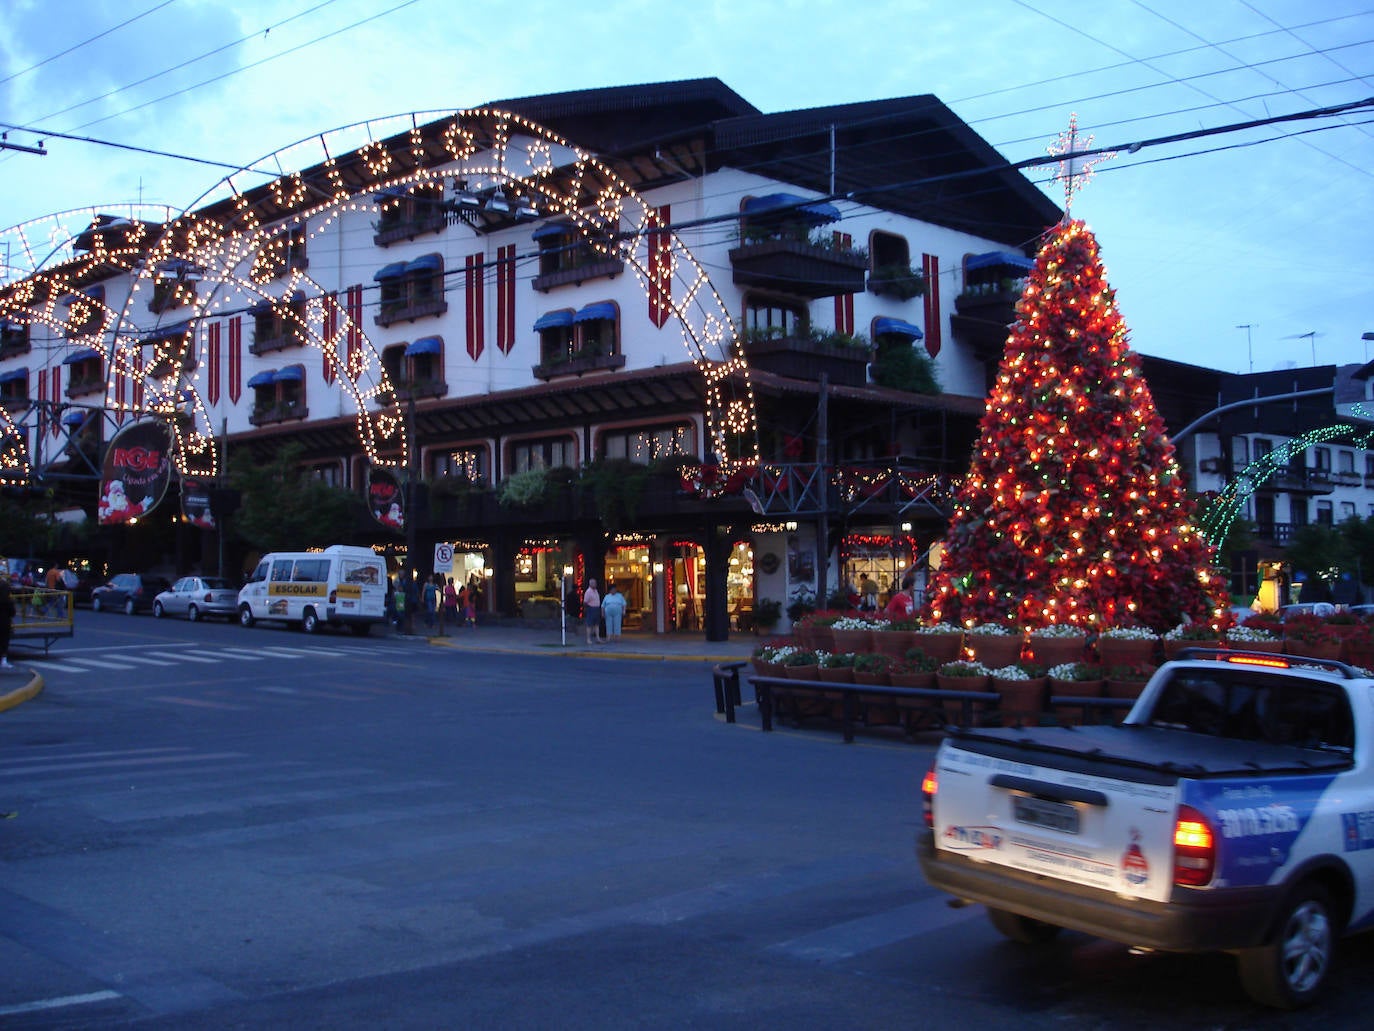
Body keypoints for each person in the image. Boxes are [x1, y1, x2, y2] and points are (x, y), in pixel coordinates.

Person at [583, 577, 603, 644]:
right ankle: (588, 639)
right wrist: (587, 608)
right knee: (589, 625)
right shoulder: (588, 592)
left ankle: (598, 638)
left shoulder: (596, 591)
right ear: (590, 584)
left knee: (597, 624)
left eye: (595, 583)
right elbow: (585, 602)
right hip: (591, 609)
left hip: (597, 608)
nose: (595, 584)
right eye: (594, 583)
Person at [0, 574, 14, 670]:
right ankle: (3, 660)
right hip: (4, 621)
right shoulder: (7, 601)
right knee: (4, 641)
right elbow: (12, 612)